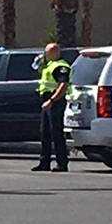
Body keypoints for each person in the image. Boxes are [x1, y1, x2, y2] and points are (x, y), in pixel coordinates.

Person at [32, 41, 71, 172]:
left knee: (56, 133)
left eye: (47, 52)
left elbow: (63, 85)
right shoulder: (49, 65)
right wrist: (39, 64)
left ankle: (62, 163)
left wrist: (52, 100)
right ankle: (44, 162)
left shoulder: (61, 66)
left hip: (55, 102)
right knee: (45, 133)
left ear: (54, 52)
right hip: (46, 101)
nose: (45, 54)